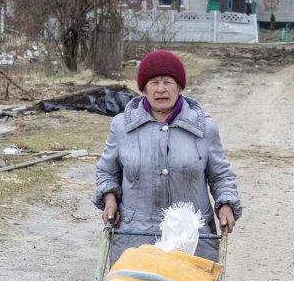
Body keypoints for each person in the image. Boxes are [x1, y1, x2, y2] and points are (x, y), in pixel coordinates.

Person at [94, 50, 241, 263]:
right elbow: (107, 172)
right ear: (143, 87)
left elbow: (221, 177)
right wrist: (109, 198)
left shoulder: (205, 128)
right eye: (153, 82)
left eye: (168, 82)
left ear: (180, 86)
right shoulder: (122, 126)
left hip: (191, 239)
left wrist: (225, 204)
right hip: (135, 239)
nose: (161, 89)